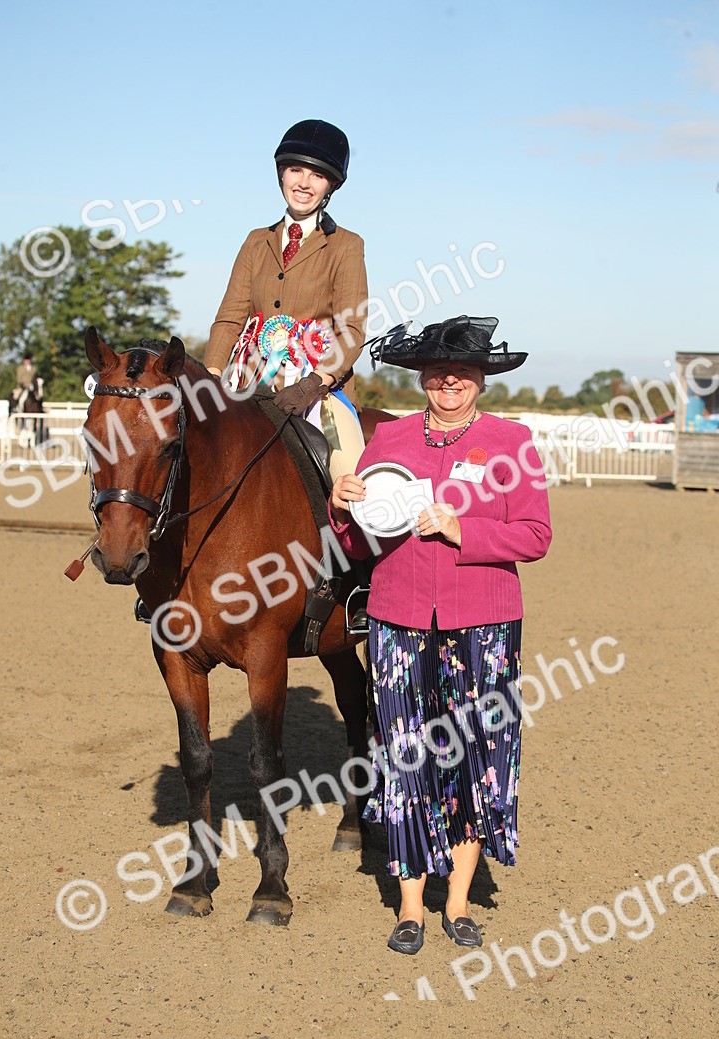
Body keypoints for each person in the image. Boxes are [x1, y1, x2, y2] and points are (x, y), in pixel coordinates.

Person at [328, 315, 553, 954]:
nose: (448, 381)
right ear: (421, 376)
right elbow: (360, 537)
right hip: (398, 619)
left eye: (461, 371)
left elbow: (536, 535)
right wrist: (342, 505)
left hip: (484, 622)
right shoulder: (392, 439)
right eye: (436, 371)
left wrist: (465, 532)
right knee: (405, 754)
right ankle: (409, 909)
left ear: (480, 378)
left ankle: (456, 902)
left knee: (478, 752)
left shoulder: (511, 443)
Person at [204, 119, 368, 480]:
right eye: (296, 170)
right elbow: (230, 317)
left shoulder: (346, 245)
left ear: (330, 186)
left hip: (319, 393)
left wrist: (312, 384)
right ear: (282, 174)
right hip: (246, 381)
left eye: (317, 175)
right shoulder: (255, 241)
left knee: (350, 480)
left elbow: (352, 330)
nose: (304, 183)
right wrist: (212, 375)